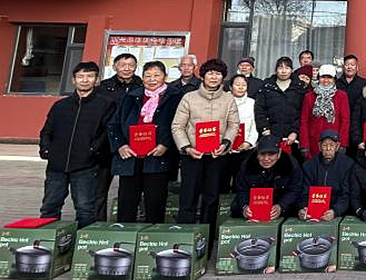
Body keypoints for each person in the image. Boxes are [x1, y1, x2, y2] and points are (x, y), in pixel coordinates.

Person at [38, 61, 115, 228]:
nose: (85, 80)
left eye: (89, 76)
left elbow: (106, 133)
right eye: (80, 76)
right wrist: (46, 149)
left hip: (86, 165)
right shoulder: (60, 105)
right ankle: (47, 239)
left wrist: (92, 151)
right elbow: (47, 131)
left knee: (85, 208)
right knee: (50, 206)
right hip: (56, 165)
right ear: (73, 80)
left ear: (97, 80)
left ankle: (82, 241)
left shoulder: (106, 104)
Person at [107, 61, 182, 223]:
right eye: (147, 76)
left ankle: (151, 235)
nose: (152, 79)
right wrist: (121, 145)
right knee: (127, 202)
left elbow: (179, 125)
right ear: (142, 78)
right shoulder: (131, 96)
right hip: (130, 157)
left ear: (165, 77)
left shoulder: (175, 96)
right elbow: (114, 124)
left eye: (156, 75)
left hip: (158, 157)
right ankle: (124, 234)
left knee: (155, 203)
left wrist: (166, 144)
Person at [171, 58, 239, 234]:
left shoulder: (228, 99)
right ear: (202, 76)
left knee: (212, 198)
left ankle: (206, 239)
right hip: (192, 156)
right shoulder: (189, 98)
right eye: (210, 73)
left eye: (218, 74)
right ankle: (185, 237)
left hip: (217, 156)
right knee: (188, 197)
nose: (214, 77)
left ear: (223, 77)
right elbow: (177, 126)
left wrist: (226, 143)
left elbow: (233, 125)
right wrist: (186, 147)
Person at [96, 52, 142, 221]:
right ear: (115, 66)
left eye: (131, 65)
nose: (127, 69)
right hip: (105, 146)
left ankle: (127, 224)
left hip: (132, 146)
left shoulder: (142, 86)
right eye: (123, 65)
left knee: (130, 190)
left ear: (136, 67)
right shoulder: (103, 87)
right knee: (99, 190)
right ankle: (98, 224)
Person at [232, 134, 303, 220]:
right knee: (236, 206)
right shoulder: (247, 164)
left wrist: (281, 206)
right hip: (254, 202)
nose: (266, 159)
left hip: (280, 199)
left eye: (271, 154)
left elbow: (295, 189)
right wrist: (245, 207)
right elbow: (242, 189)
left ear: (279, 153)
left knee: (297, 206)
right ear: (257, 153)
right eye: (262, 154)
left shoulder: (291, 164)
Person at [255, 57, 305, 161]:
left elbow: (302, 112)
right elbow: (259, 110)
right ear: (276, 70)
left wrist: (295, 132)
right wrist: (265, 129)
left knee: (290, 164)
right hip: (270, 134)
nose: (283, 71)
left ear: (291, 70)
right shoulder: (266, 86)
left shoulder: (299, 87)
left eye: (287, 68)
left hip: (292, 137)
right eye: (280, 68)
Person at [298, 129, 354, 220]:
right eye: (325, 145)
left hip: (337, 213)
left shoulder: (347, 164)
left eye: (332, 145)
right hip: (312, 212)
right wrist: (303, 208)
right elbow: (304, 193)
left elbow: (345, 194)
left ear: (337, 146)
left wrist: (335, 211)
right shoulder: (309, 166)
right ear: (319, 146)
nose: (328, 149)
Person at [300, 64, 350, 160]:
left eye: (329, 77)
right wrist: (304, 144)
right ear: (319, 78)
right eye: (323, 77)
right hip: (314, 140)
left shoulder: (342, 96)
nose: (326, 80)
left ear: (334, 79)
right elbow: (304, 122)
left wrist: (342, 143)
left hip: (334, 141)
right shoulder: (309, 96)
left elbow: (345, 121)